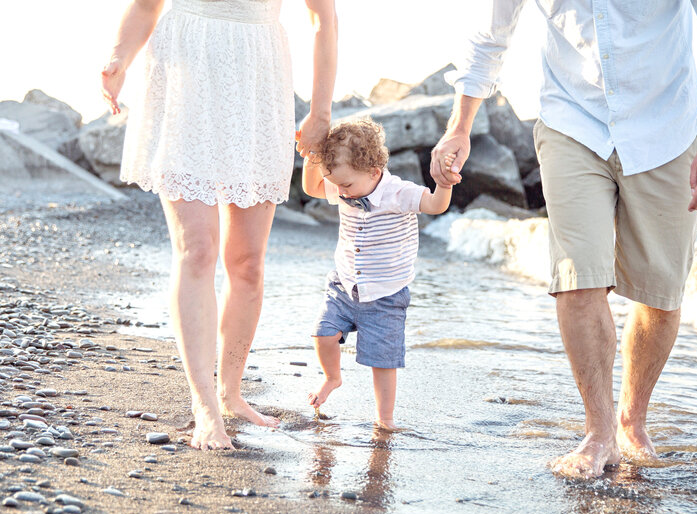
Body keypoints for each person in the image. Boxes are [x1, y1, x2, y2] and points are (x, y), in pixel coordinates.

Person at [430, 0, 697, 478]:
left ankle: (633, 420)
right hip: (572, 123)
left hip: (665, 126)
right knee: (577, 277)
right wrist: (458, 127)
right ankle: (599, 431)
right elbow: (489, 36)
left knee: (660, 293)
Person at [101, 0, 338, 450]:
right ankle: (205, 405)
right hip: (186, 69)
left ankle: (231, 392)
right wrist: (119, 57)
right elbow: (147, 4)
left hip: (259, 73)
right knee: (198, 248)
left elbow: (323, 18)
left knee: (247, 262)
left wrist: (320, 110)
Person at [302, 118, 453, 430]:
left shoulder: (398, 193)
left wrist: (446, 182)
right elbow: (311, 186)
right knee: (322, 334)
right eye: (337, 183)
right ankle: (332, 378)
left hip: (386, 294)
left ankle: (385, 419)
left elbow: (436, 205)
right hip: (344, 284)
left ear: (373, 172)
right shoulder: (346, 183)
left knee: (383, 362)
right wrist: (312, 155)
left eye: (345, 185)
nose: (340, 192)